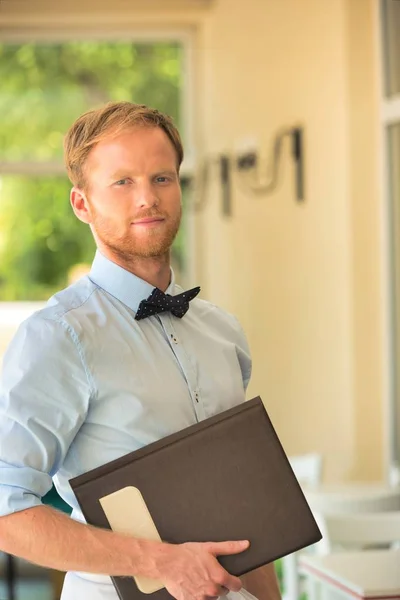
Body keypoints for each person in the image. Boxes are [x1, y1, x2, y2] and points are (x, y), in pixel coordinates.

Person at [0, 102, 281, 600]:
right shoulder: (57, 337)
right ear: (81, 204)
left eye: (162, 178)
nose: (148, 198)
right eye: (122, 182)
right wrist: (164, 561)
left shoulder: (223, 333)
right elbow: (7, 511)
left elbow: (243, 508)